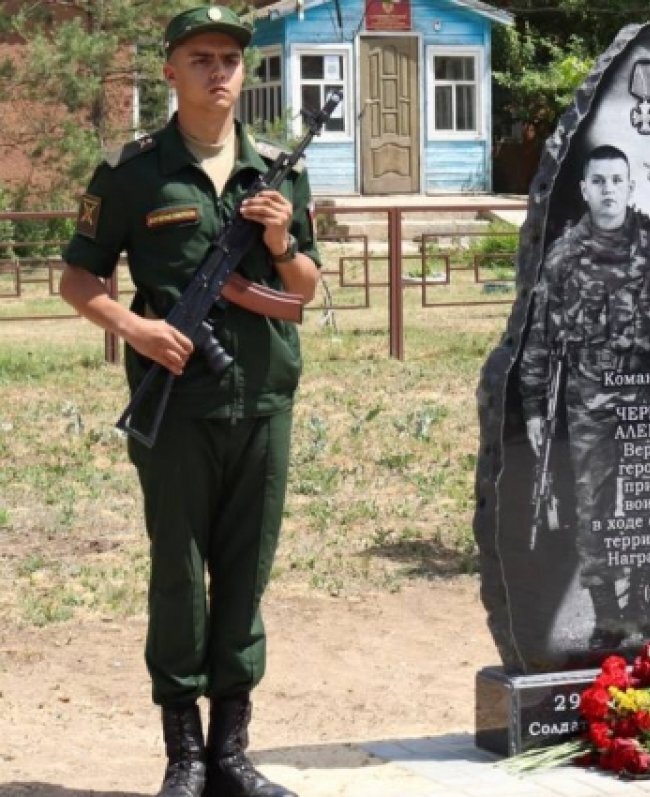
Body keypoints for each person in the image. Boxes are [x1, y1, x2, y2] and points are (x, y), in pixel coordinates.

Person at [59, 6, 320, 796]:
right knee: (178, 574)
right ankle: (184, 755)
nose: (218, 71)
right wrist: (135, 328)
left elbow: (305, 289)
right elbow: (78, 277)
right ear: (170, 71)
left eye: (230, 59)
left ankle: (233, 754)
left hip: (262, 401)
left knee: (246, 576)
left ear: (245, 74)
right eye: (200, 57)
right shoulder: (133, 170)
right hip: (174, 407)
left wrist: (279, 245)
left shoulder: (277, 168)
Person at [519, 144, 650, 650]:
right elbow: (539, 340)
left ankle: (643, 601)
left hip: (649, 398)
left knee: (648, 507)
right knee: (594, 508)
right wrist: (534, 408)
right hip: (589, 401)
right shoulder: (563, 257)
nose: (608, 191)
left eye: (616, 181)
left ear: (630, 186)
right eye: (598, 182)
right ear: (584, 190)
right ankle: (608, 615)